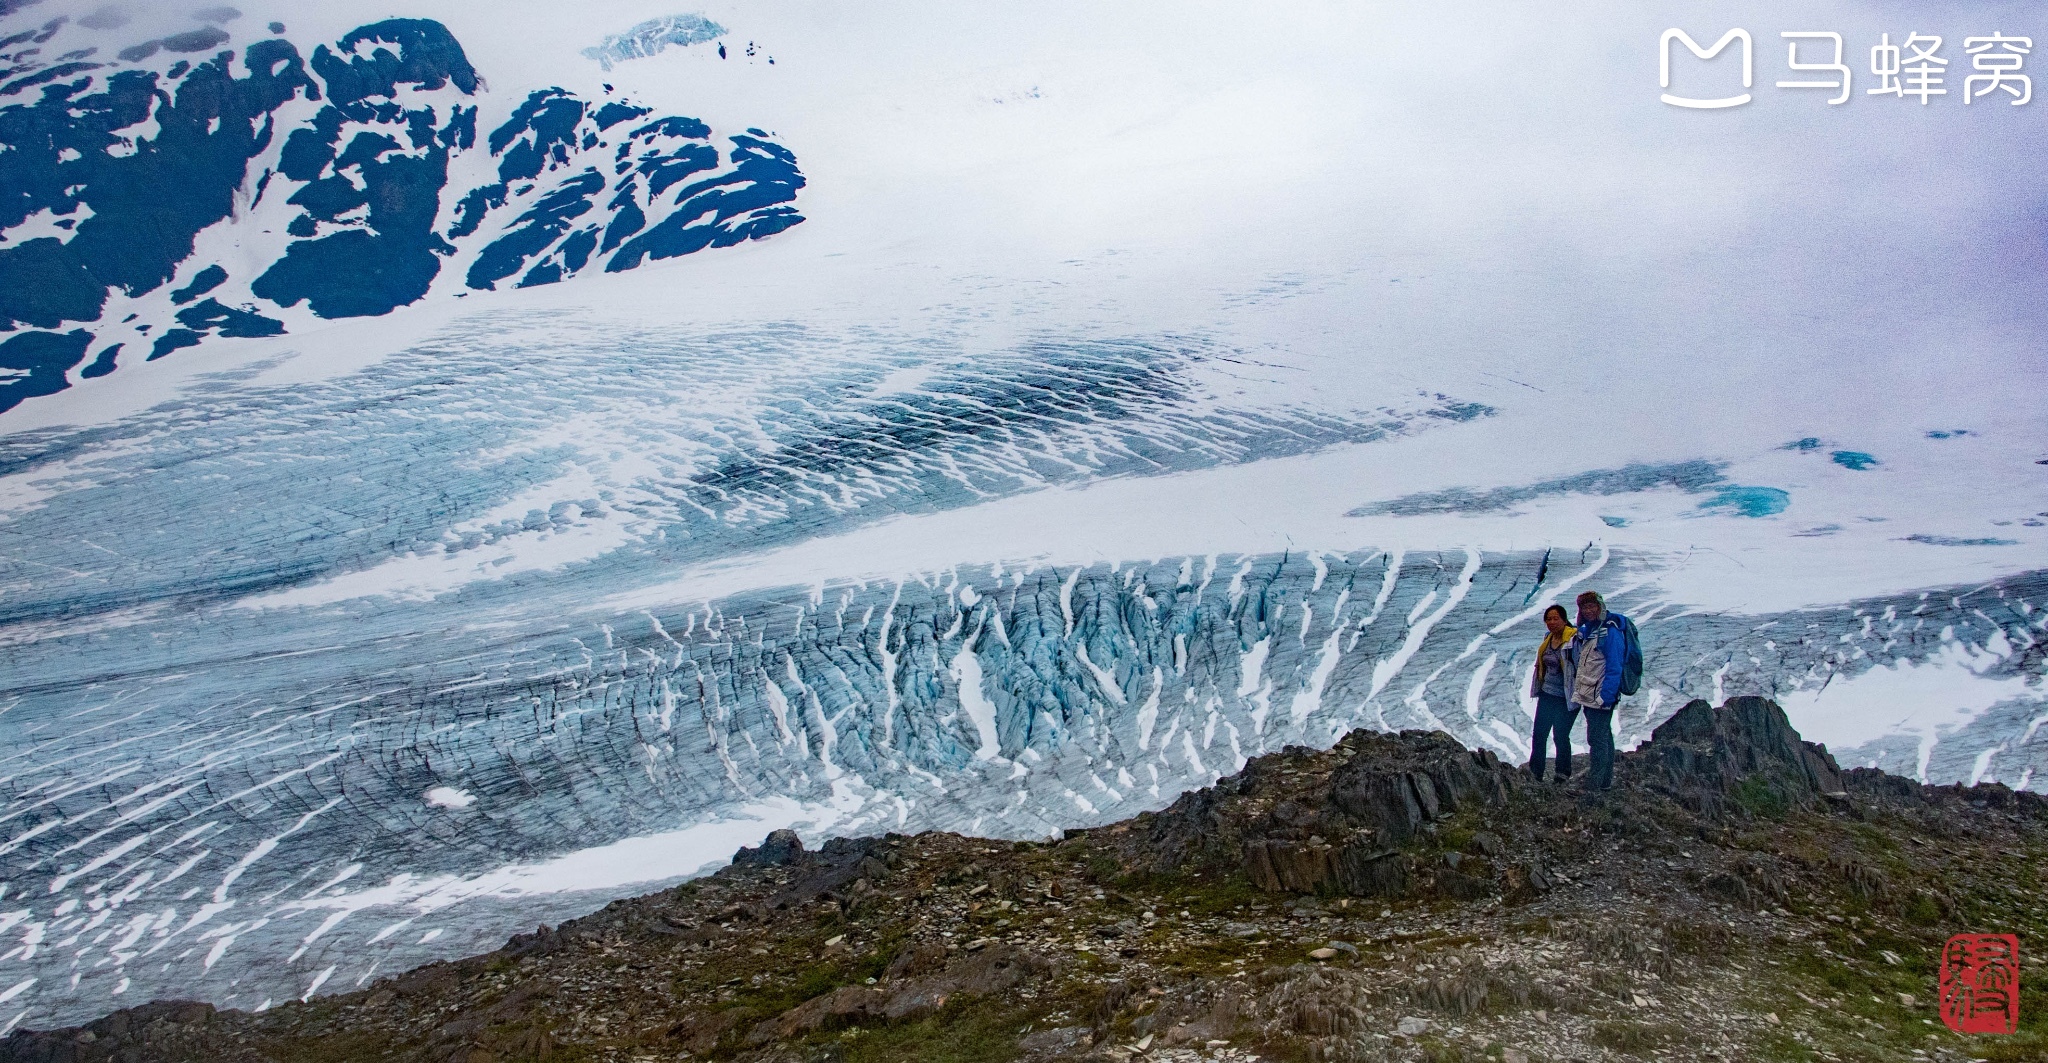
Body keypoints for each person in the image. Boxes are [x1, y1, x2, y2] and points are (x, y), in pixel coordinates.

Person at [1565, 590, 1626, 791]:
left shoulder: (1610, 631)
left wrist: (1605, 696)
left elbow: (1614, 665)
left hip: (1600, 695)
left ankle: (1594, 785)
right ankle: (1604, 782)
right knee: (1603, 736)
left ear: (1600, 607)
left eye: (1592, 606)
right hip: (1591, 694)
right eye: (1585, 607)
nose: (1589, 610)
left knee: (1597, 739)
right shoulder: (1588, 630)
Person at [1526, 604, 1577, 781]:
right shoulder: (1548, 639)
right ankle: (1535, 772)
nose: (1552, 622)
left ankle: (1562, 772)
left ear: (1564, 620)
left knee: (1561, 734)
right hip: (1547, 694)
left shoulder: (1574, 639)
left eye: (1556, 618)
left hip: (1566, 697)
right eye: (1549, 619)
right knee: (1540, 733)